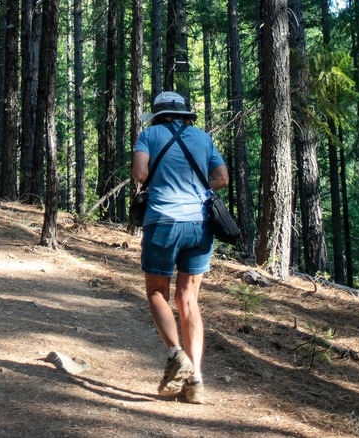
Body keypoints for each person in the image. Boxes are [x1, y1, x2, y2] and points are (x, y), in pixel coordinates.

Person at [132, 91, 229, 404]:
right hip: (200, 224)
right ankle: (196, 381)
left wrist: (156, 182)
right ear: (185, 114)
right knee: (188, 298)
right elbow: (222, 178)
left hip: (162, 221)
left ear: (158, 115)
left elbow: (139, 173)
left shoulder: (149, 134)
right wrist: (198, 189)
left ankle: (176, 355)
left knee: (157, 293)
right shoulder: (203, 138)